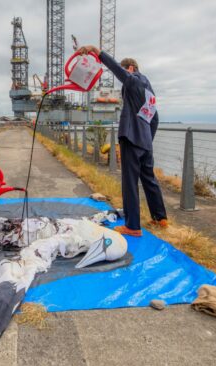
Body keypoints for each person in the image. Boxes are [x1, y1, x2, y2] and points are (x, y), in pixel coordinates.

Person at [77, 45, 168, 237]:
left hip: (132, 139)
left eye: (125, 70)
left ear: (131, 68)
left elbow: (117, 70)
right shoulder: (149, 91)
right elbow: (155, 119)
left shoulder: (133, 81)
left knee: (129, 183)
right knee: (149, 179)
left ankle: (133, 226)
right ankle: (160, 218)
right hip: (145, 143)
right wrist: (148, 141)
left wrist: (97, 51)